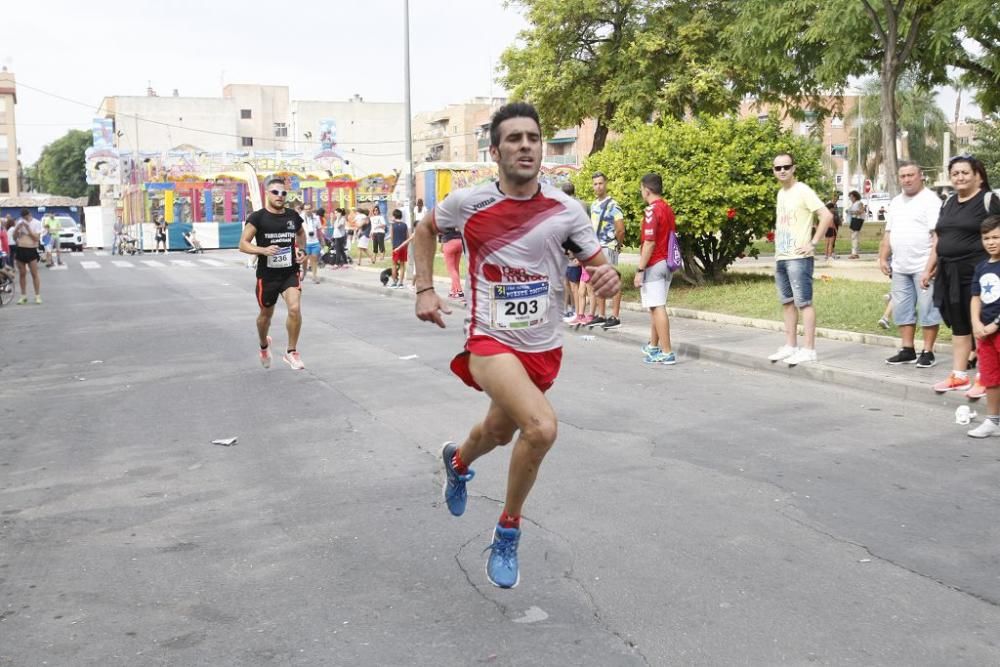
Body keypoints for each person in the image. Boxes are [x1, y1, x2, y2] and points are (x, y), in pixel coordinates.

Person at [412, 102, 620, 589]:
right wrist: (424, 288)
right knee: (541, 428)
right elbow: (424, 229)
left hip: (543, 347)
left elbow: (598, 265)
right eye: (514, 139)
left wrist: (608, 277)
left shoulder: (567, 209)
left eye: (533, 137)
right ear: (496, 150)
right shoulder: (469, 203)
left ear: (541, 147)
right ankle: (508, 529)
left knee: (498, 433)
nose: (525, 146)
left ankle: (458, 462)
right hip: (489, 339)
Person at [922, 154, 1000, 396]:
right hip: (949, 271)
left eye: (965, 172)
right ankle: (959, 376)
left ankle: (985, 378)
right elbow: (940, 238)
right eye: (955, 173)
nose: (960, 177)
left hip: (979, 273)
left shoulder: (988, 200)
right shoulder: (948, 203)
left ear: (978, 175)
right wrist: (929, 267)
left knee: (981, 322)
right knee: (959, 325)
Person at [766, 153, 834, 366]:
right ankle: (791, 345)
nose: (782, 171)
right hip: (782, 257)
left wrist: (813, 242)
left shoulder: (803, 190)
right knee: (787, 302)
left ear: (793, 168)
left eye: (786, 166)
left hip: (799, 257)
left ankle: (809, 349)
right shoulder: (781, 194)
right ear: (774, 171)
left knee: (804, 302)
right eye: (778, 168)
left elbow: (827, 216)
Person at [878, 161, 943, 368]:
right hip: (900, 267)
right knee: (902, 309)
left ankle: (928, 351)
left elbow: (937, 237)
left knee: (927, 309)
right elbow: (888, 233)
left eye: (911, 175)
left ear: (920, 175)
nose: (906, 179)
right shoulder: (896, 201)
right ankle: (907, 349)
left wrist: (930, 268)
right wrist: (882, 257)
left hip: (923, 266)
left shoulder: (930, 201)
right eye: (903, 176)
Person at [239, 177, 307, 370]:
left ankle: (291, 352)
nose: (280, 196)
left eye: (284, 193)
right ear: (267, 194)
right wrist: (262, 250)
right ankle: (263, 344)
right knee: (265, 316)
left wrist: (302, 251)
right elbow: (242, 244)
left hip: (289, 272)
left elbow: (301, 234)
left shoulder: (293, 216)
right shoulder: (258, 218)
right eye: (275, 192)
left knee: (294, 309)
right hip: (267, 276)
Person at [633, 173, 677, 364]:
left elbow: (649, 242)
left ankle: (667, 352)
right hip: (667, 263)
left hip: (655, 263)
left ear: (647, 189)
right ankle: (653, 346)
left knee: (658, 307)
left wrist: (640, 270)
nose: (641, 192)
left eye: (641, 189)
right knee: (654, 306)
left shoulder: (652, 211)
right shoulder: (667, 208)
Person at [968, 215, 1000, 437]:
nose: (991, 242)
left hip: (996, 328)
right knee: (990, 376)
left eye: (996, 237)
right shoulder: (981, 267)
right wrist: (976, 323)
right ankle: (993, 421)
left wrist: (996, 324)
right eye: (986, 237)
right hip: (984, 332)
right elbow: (975, 297)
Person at [590, 172, 626, 329]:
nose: (598, 186)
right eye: (595, 184)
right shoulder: (593, 204)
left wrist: (618, 245)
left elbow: (620, 229)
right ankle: (601, 315)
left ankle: (615, 316)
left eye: (600, 183)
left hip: (609, 247)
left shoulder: (613, 205)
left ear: (606, 184)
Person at [13, 208, 43, 304]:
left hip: (31, 249)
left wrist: (28, 229)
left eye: (27, 217)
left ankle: (37, 296)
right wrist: (17, 229)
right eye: (24, 218)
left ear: (30, 215)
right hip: (21, 248)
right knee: (22, 273)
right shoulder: (19, 222)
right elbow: (14, 238)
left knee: (34, 273)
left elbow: (36, 238)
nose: (25, 219)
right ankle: (23, 296)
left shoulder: (36, 223)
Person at [301, 203, 322, 284]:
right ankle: (304, 272)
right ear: (304, 209)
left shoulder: (316, 218)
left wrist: (322, 241)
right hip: (305, 243)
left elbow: (319, 230)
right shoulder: (300, 217)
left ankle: (314, 276)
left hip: (315, 242)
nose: (308, 210)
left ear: (312, 209)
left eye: (309, 208)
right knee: (304, 260)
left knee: (314, 259)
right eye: (306, 209)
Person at [389, 209, 410, 288]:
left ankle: (394, 282)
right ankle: (401, 283)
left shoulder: (393, 225)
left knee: (394, 264)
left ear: (394, 216)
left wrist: (393, 246)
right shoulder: (405, 225)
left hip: (396, 247)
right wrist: (406, 246)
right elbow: (407, 237)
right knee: (402, 265)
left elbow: (391, 237)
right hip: (403, 247)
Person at [846, 190, 865, 259]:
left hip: (857, 220)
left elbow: (861, 211)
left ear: (855, 197)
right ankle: (855, 253)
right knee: (854, 236)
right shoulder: (854, 204)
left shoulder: (859, 203)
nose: (850, 198)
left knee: (854, 236)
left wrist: (851, 212)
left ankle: (854, 253)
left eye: (851, 197)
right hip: (854, 220)